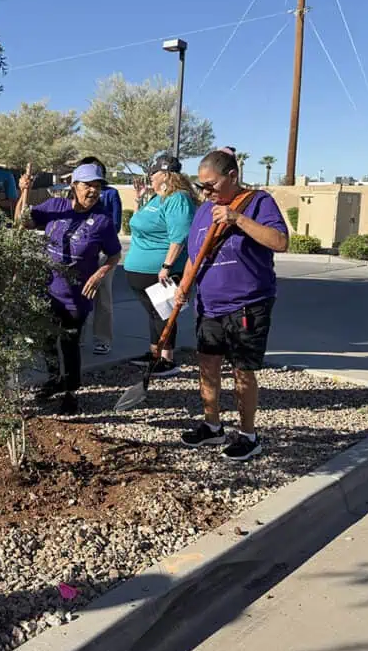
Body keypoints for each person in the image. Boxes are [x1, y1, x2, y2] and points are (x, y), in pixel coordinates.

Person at [175, 147, 289, 462]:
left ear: (232, 176)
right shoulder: (202, 210)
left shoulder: (258, 202)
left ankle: (248, 435)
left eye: (211, 184)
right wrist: (184, 287)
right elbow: (195, 257)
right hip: (209, 305)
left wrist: (236, 219)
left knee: (242, 371)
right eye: (201, 185)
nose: (205, 191)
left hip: (248, 305)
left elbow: (280, 242)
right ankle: (212, 427)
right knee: (208, 366)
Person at [15, 160, 122, 414]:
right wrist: (23, 192)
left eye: (97, 186)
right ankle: (53, 380)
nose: (93, 191)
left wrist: (99, 274)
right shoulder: (55, 207)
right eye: (88, 185)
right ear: (74, 185)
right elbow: (22, 221)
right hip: (48, 289)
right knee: (48, 341)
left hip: (77, 295)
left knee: (70, 342)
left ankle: (71, 392)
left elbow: (115, 255)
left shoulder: (102, 221)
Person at [124, 154, 198, 376]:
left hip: (162, 272)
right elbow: (139, 225)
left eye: (153, 174)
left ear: (165, 175)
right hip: (139, 270)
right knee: (153, 314)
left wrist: (166, 266)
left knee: (163, 314)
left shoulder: (179, 199)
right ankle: (154, 353)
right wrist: (138, 201)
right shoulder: (157, 198)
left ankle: (166, 359)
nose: (150, 178)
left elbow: (179, 236)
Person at [85, 159, 122, 357]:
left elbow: (116, 223)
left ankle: (102, 339)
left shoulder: (110, 193)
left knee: (102, 296)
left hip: (103, 252)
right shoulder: (75, 191)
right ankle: (77, 336)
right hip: (81, 251)